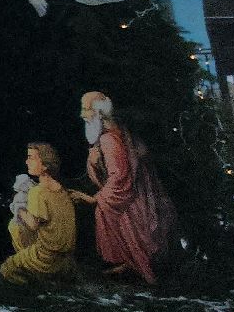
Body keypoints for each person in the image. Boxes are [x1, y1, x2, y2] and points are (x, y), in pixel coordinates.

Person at [68, 91, 176, 285]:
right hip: (133, 199)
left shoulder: (108, 140)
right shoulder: (117, 132)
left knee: (112, 222)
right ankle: (129, 265)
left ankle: (133, 268)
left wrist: (92, 199)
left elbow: (119, 178)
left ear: (99, 113)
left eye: (86, 109)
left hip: (128, 206)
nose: (82, 114)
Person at [0, 142, 77, 285]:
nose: (26, 161)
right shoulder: (61, 189)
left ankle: (38, 282)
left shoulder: (38, 192)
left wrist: (19, 207)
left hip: (47, 257)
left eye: (31, 158)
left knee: (6, 268)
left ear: (45, 165)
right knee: (15, 227)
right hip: (65, 257)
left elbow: (33, 225)